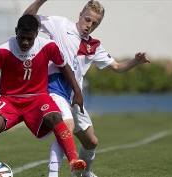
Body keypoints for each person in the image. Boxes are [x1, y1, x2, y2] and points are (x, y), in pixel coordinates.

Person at [24, 1, 150, 177]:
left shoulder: (94, 46)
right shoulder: (60, 24)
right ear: (80, 14)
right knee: (66, 127)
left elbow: (117, 66)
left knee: (91, 142)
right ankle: (53, 173)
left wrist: (135, 61)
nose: (89, 25)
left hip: (76, 96)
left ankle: (84, 173)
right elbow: (27, 19)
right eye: (88, 19)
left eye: (95, 23)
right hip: (54, 87)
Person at [0, 15, 87, 176]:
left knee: (55, 117)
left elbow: (64, 67)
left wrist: (77, 91)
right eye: (22, 38)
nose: (25, 42)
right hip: (10, 99)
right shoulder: (4, 49)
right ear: (16, 32)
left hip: (38, 97)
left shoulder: (48, 46)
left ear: (36, 34)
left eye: (30, 38)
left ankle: (74, 161)